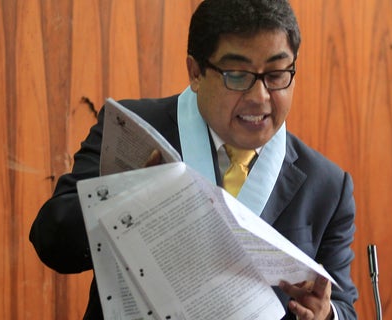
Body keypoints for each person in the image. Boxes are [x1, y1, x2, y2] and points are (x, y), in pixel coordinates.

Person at [29, 0, 358, 319]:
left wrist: (326, 315)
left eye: (276, 75)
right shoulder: (133, 127)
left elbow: (343, 306)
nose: (260, 98)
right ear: (196, 72)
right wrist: (129, 197)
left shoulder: (326, 185)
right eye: (237, 74)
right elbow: (51, 239)